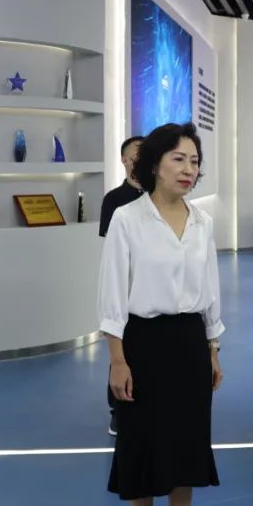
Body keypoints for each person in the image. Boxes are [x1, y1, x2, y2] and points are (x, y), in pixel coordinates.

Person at [97, 122, 225, 506]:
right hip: (143, 344)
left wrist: (213, 348)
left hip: (190, 343)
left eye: (194, 161)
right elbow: (112, 293)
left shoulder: (202, 222)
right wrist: (117, 359)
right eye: (178, 159)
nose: (189, 169)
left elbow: (210, 288)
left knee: (188, 443)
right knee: (143, 445)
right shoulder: (128, 219)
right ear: (154, 163)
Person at [99, 134, 144, 436]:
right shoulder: (114, 200)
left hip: (151, 288)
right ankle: (118, 409)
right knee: (121, 349)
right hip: (125, 287)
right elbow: (110, 250)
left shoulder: (159, 196)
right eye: (135, 155)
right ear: (124, 160)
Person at [99, 135, 144, 238]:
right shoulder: (112, 198)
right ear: (124, 160)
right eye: (137, 156)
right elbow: (111, 239)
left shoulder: (161, 194)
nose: (142, 160)